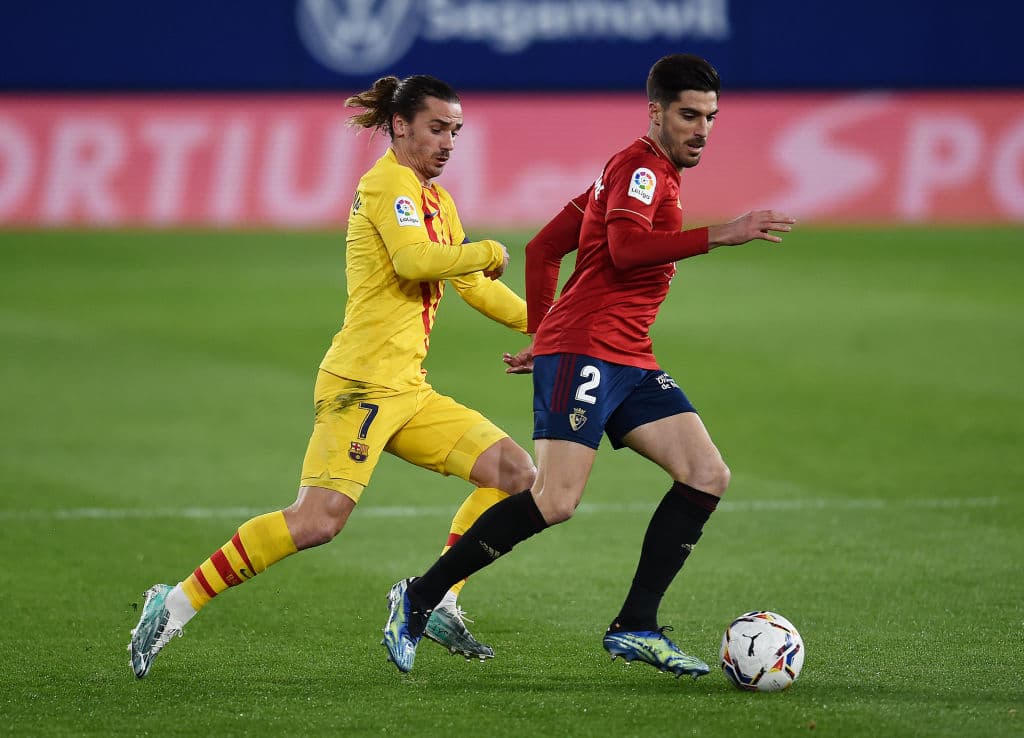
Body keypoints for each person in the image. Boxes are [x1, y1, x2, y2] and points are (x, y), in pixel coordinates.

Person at [381, 54, 797, 677]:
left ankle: (635, 625)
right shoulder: (638, 169)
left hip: (624, 353)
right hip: (590, 350)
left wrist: (543, 332)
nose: (701, 129)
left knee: (706, 473)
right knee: (554, 500)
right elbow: (627, 251)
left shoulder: (639, 172)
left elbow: (546, 246)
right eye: (688, 115)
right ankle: (418, 597)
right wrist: (723, 233)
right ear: (656, 112)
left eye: (710, 117)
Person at [128, 74, 537, 678]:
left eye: (455, 130)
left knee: (515, 474)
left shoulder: (437, 202)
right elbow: (415, 261)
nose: (448, 142)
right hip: (361, 386)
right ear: (400, 126)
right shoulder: (386, 183)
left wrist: (554, 329)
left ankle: (438, 599)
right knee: (317, 521)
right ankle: (175, 603)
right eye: (436, 128)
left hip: (410, 390)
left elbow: (473, 286)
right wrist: (488, 249)